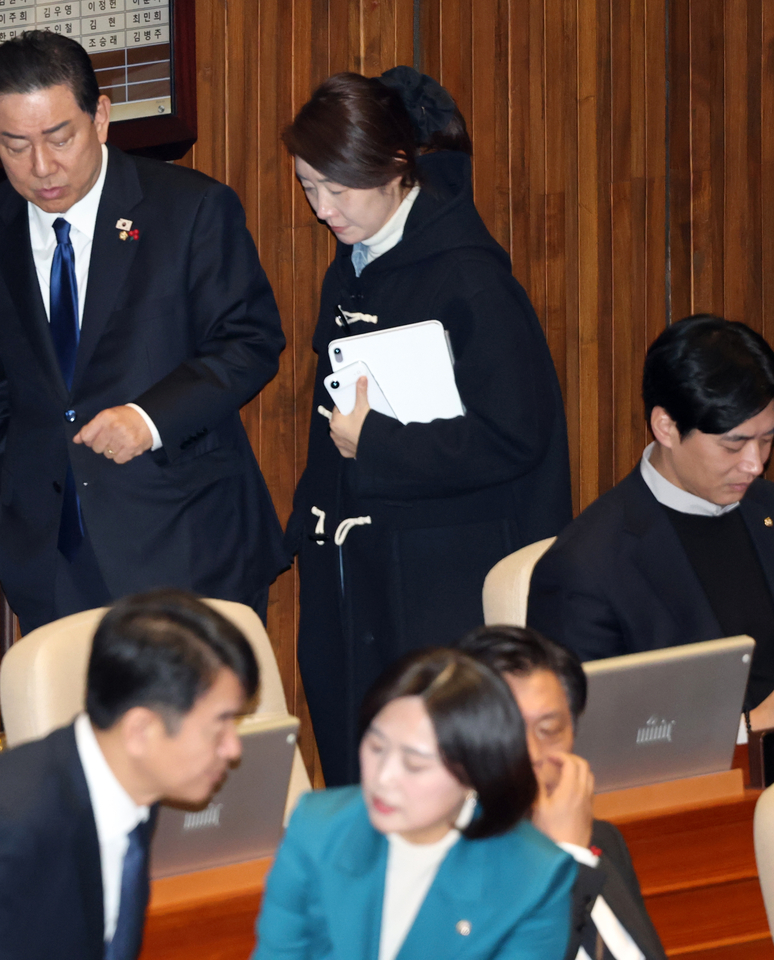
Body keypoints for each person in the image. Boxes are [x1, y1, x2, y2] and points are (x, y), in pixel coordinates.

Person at [283, 66, 571, 785]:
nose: (322, 210)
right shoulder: (352, 263)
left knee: (439, 783)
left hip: (438, 580)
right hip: (356, 566)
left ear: (396, 171)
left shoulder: (470, 279)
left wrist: (375, 444)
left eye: (338, 190)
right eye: (308, 187)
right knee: (362, 784)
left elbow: (515, 435)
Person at [0, 30, 288, 634]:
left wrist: (149, 419)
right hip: (50, 556)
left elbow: (250, 340)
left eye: (60, 138)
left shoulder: (189, 209)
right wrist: (24, 486)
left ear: (100, 116)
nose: (42, 166)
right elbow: (3, 385)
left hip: (184, 544)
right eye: (14, 145)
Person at [0, 589, 259, 960]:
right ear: (141, 730)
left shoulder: (132, 788)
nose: (233, 748)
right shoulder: (11, 819)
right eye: (220, 724)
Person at [528, 315, 774, 730]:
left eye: (768, 439)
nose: (756, 464)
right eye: (734, 444)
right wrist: (747, 729)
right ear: (666, 427)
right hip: (709, 787)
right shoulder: (585, 567)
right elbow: (588, 737)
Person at [252, 648, 575, 960]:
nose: (384, 778)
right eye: (376, 747)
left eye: (415, 765)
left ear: (475, 773)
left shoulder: (534, 877)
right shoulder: (317, 826)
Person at [458, 625, 667, 960]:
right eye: (506, 728)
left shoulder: (603, 840)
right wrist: (566, 857)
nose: (531, 752)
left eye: (549, 730)